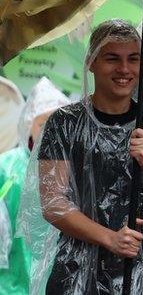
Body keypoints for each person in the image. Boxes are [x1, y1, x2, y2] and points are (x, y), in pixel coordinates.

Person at [18, 18, 143, 294]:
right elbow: (53, 204)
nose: (124, 69)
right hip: (76, 274)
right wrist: (110, 238)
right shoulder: (64, 124)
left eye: (133, 59)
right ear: (92, 62)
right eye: (112, 58)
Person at [0, 77, 69, 294]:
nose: (50, 130)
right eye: (43, 123)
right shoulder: (7, 166)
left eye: (58, 122)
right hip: (12, 284)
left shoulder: (75, 171)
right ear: (29, 125)